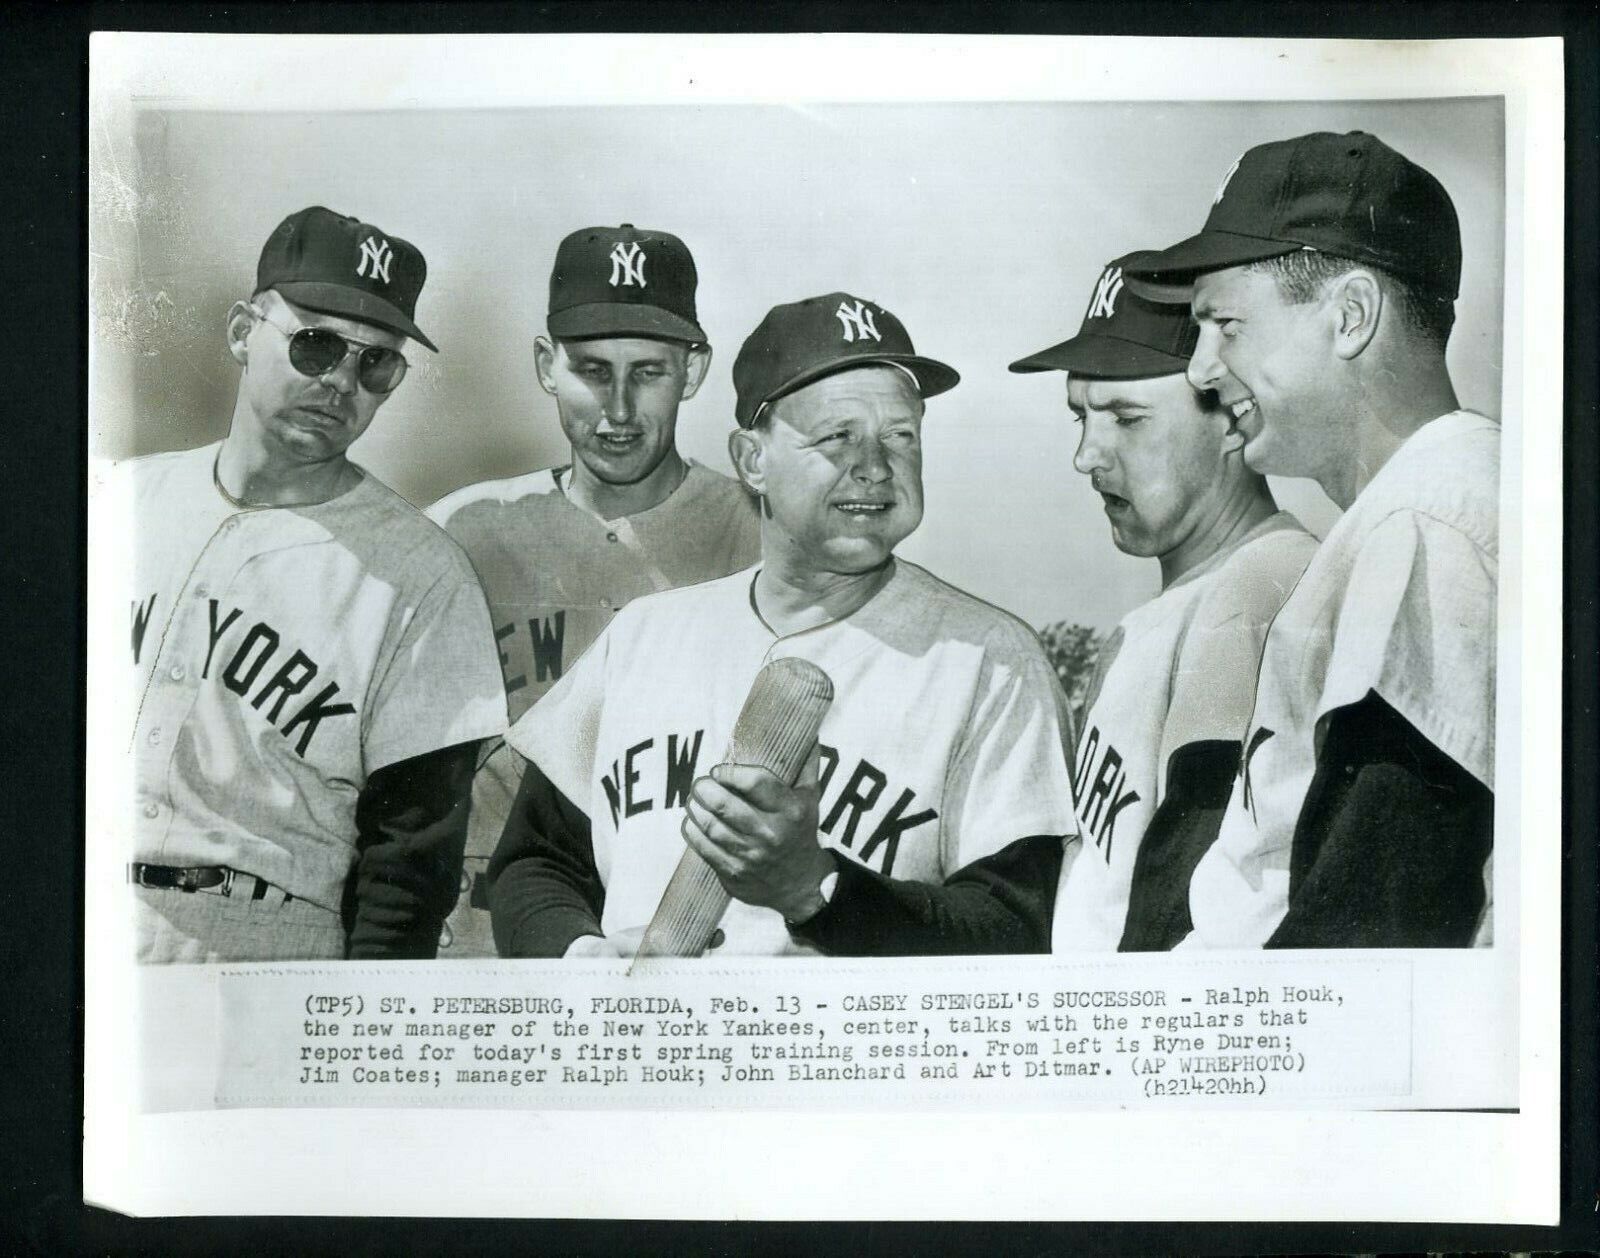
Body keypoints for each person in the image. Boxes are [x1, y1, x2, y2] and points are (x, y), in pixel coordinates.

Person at [488, 292, 1078, 957]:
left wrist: (817, 890)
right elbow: (533, 864)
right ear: (751, 460)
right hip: (643, 1048)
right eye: (837, 436)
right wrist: (579, 957)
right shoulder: (644, 637)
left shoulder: (990, 661)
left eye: (900, 434)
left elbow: (1017, 929)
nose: (876, 466)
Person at [1124, 131, 1497, 947]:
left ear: (1351, 316)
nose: (1200, 369)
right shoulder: (1401, 517)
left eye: (1226, 324)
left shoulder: (1426, 521)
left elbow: (1373, 931)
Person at [121, 206, 507, 963]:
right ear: (242, 332)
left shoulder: (422, 574)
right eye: (315, 344)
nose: (340, 382)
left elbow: (411, 863)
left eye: (376, 364)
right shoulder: (117, 501)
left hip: (266, 941)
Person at [427, 224, 760, 956]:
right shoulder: (462, 534)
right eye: (591, 370)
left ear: (694, 370)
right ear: (546, 365)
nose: (616, 409)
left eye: (648, 372)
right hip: (478, 935)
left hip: (680, 934)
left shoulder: (758, 535)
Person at [1008, 261, 1317, 951]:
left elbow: (1184, 887)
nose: (1087, 454)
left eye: (1127, 418)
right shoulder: (1179, 607)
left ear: (1235, 420)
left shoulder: (1260, 583)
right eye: (1081, 416)